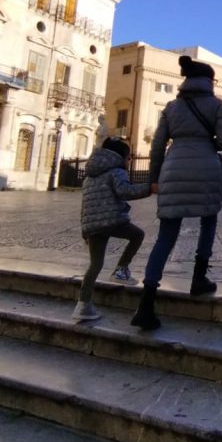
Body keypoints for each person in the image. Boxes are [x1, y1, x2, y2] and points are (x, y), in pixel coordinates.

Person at [131, 55, 222, 330]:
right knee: (208, 221)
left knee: (165, 236)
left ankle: (146, 303)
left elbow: (156, 146)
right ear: (209, 81)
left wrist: (154, 178)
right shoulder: (216, 104)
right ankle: (199, 279)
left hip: (173, 169)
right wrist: (208, 141)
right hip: (207, 169)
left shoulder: (171, 107)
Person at [74, 137, 152, 322]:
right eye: (128, 157)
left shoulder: (90, 175)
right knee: (137, 235)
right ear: (119, 157)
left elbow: (84, 205)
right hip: (112, 220)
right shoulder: (117, 171)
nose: (129, 161)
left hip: (93, 225)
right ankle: (121, 270)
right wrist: (149, 188)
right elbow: (125, 191)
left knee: (95, 265)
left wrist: (85, 229)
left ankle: (83, 305)